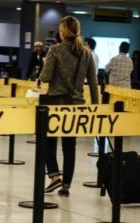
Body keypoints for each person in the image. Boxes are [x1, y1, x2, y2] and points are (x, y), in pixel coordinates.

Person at [39, 16, 99, 197]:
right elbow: (93, 81)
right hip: (75, 105)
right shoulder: (87, 53)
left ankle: (55, 177)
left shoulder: (55, 50)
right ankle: (66, 187)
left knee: (48, 142)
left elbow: (46, 77)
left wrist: (42, 69)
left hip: (55, 103)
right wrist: (96, 106)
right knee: (69, 146)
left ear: (63, 32)